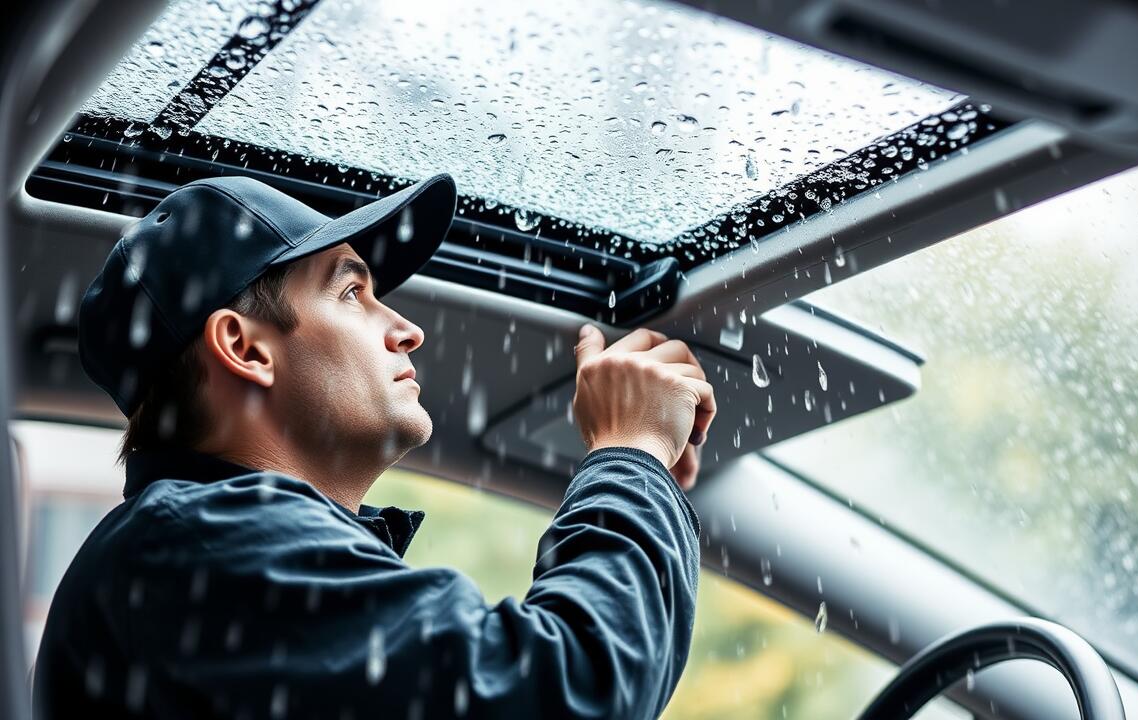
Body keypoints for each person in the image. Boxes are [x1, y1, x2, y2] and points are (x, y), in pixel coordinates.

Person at [32, 173, 715, 719]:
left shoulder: (200, 558)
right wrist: (631, 451)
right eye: (352, 291)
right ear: (244, 348)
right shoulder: (199, 547)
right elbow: (574, 688)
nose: (408, 329)